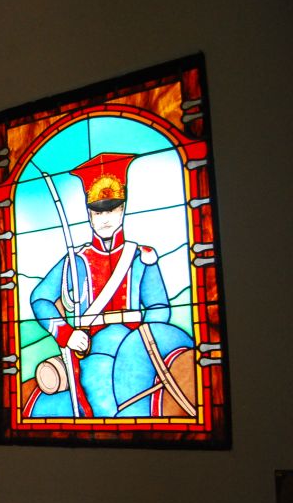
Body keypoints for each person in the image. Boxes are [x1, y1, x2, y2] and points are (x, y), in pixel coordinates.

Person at [28, 152, 194, 418]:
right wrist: (67, 334)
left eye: (112, 209)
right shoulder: (76, 260)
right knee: (104, 403)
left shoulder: (140, 257)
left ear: (123, 209)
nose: (105, 218)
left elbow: (159, 306)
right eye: (98, 212)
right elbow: (40, 299)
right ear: (89, 215)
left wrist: (145, 336)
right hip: (94, 348)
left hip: (140, 344)